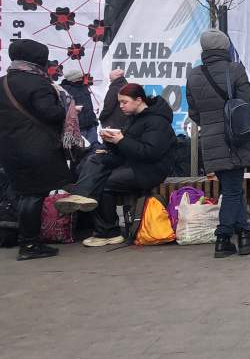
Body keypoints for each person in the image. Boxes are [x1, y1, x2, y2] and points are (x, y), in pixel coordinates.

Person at [57, 82, 177, 247]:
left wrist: (121, 140)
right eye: (119, 102)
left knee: (104, 183)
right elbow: (128, 148)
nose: (121, 106)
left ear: (138, 100)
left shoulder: (157, 121)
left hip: (150, 170)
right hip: (132, 164)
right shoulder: (133, 119)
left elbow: (150, 153)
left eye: (124, 102)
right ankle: (81, 196)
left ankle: (107, 231)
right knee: (95, 159)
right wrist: (111, 143)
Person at [186, 29, 250, 258]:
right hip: (235, 138)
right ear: (225, 47)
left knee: (231, 188)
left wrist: (211, 123)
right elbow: (247, 104)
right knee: (231, 190)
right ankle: (223, 236)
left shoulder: (194, 75)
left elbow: (194, 112)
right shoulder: (235, 69)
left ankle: (244, 235)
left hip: (211, 138)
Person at [0, 40, 71, 261]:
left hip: (9, 148)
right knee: (33, 195)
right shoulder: (38, 83)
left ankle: (28, 239)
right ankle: (29, 243)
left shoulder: (3, 83)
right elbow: (49, 113)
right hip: (36, 148)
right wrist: (67, 109)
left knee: (23, 193)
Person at [62, 68, 98, 146]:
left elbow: (90, 104)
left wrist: (94, 121)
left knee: (95, 149)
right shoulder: (64, 90)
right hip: (77, 128)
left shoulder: (84, 87)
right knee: (80, 152)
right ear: (72, 79)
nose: (81, 78)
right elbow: (62, 108)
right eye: (79, 77)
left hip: (91, 125)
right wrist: (73, 109)